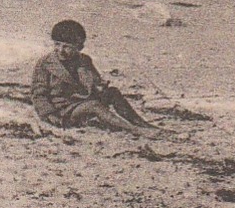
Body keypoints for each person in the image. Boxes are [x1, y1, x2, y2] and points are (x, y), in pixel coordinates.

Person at [31, 20, 159, 133]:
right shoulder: (45, 64)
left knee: (113, 92)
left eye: (66, 47)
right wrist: (49, 114)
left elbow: (95, 82)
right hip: (63, 111)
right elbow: (38, 94)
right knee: (93, 105)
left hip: (82, 102)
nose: (60, 50)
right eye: (57, 44)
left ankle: (141, 123)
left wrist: (100, 87)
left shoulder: (84, 60)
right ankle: (135, 130)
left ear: (79, 47)